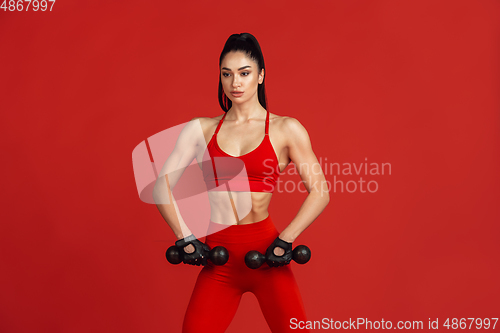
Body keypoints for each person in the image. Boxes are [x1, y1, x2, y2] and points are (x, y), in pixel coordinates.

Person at [155, 33, 330, 333]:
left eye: (244, 73)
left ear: (261, 76)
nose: (235, 82)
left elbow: (320, 191)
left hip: (266, 255)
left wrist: (286, 239)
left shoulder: (286, 129)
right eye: (227, 74)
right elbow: (161, 186)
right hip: (219, 260)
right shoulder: (201, 129)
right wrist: (184, 236)